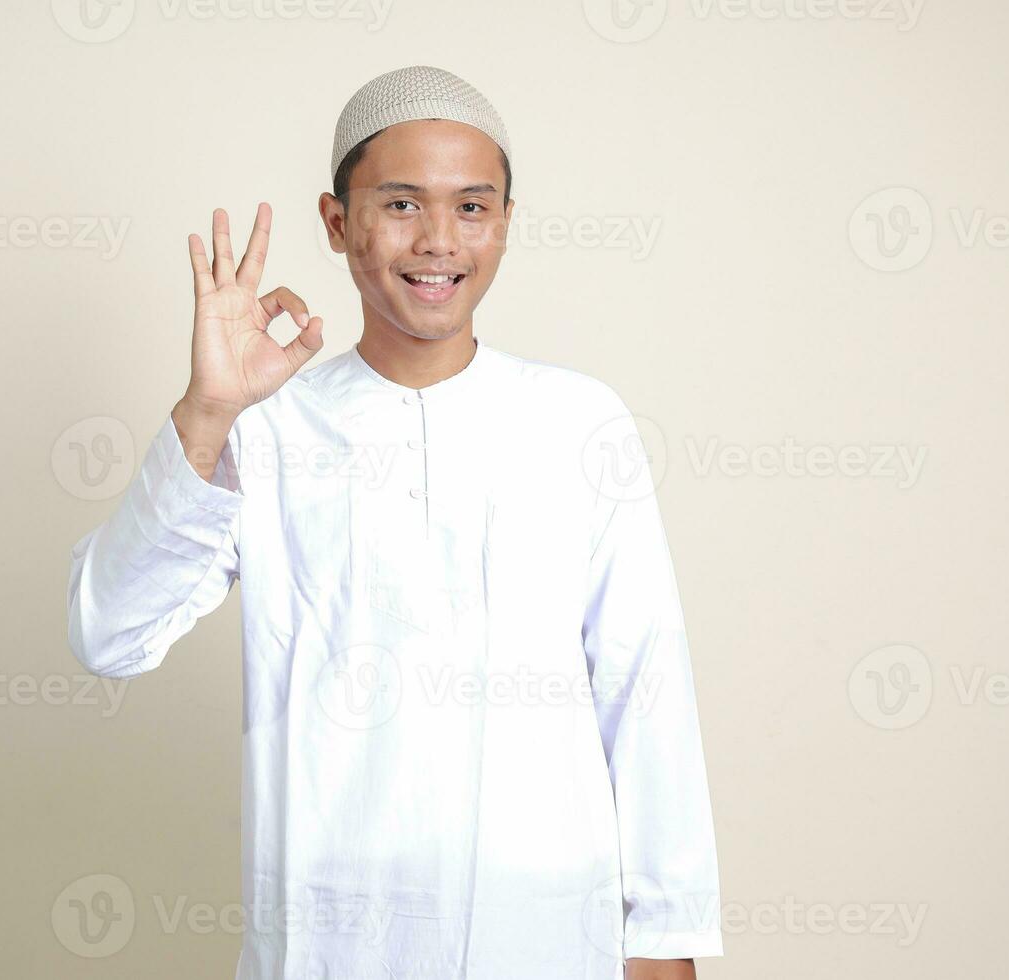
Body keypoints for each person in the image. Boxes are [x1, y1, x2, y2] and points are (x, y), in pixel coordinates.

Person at [67, 64, 723, 980]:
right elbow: (109, 634)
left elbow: (644, 678)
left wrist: (663, 936)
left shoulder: (578, 422)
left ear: (504, 222)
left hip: (543, 937)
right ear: (339, 223)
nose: (439, 242)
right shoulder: (267, 429)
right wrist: (208, 413)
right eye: (402, 204)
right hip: (332, 937)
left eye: (472, 207)